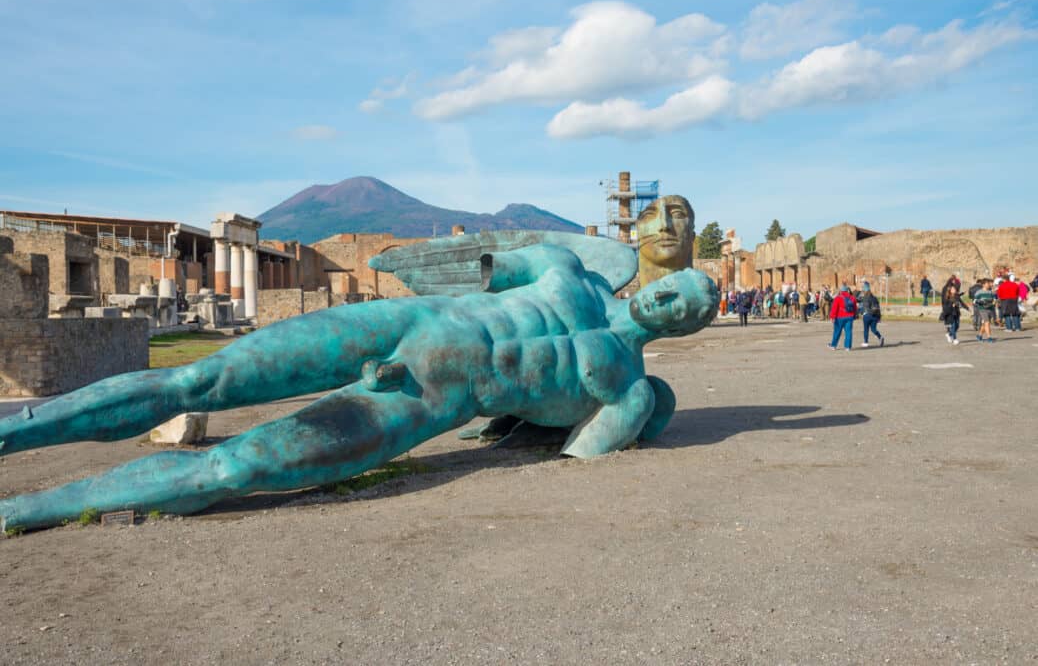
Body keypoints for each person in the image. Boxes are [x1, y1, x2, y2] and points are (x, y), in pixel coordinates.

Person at [0, 243, 719, 531]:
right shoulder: (567, 267)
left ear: (685, 329)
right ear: (658, 283)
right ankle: (13, 430)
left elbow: (576, 454)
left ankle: (31, 506)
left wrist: (638, 418)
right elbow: (475, 266)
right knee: (198, 377)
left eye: (686, 307)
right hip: (403, 319)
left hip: (427, 399)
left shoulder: (626, 389)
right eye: (674, 289)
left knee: (237, 466)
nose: (669, 302)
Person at [829, 283, 858, 351]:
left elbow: (834, 308)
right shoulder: (852, 298)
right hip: (849, 317)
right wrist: (854, 316)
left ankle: (833, 345)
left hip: (840, 317)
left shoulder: (838, 298)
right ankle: (847, 347)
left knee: (837, 331)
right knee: (848, 332)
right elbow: (855, 308)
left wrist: (832, 317)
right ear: (847, 290)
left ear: (841, 291)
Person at [859, 282, 884, 347]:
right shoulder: (874, 297)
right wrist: (879, 317)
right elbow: (878, 308)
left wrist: (862, 313)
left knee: (866, 329)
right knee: (873, 329)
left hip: (867, 315)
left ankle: (866, 342)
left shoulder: (864, 297)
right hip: (875, 316)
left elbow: (863, 306)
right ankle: (880, 337)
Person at [973, 278, 997, 343]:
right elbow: (974, 301)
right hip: (982, 309)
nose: (989, 284)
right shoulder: (979, 292)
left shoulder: (991, 292)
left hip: (990, 309)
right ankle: (989, 337)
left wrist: (994, 302)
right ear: (983, 284)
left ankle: (979, 336)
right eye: (987, 283)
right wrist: (981, 302)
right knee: (987, 323)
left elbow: (995, 299)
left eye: (989, 283)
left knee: (984, 324)